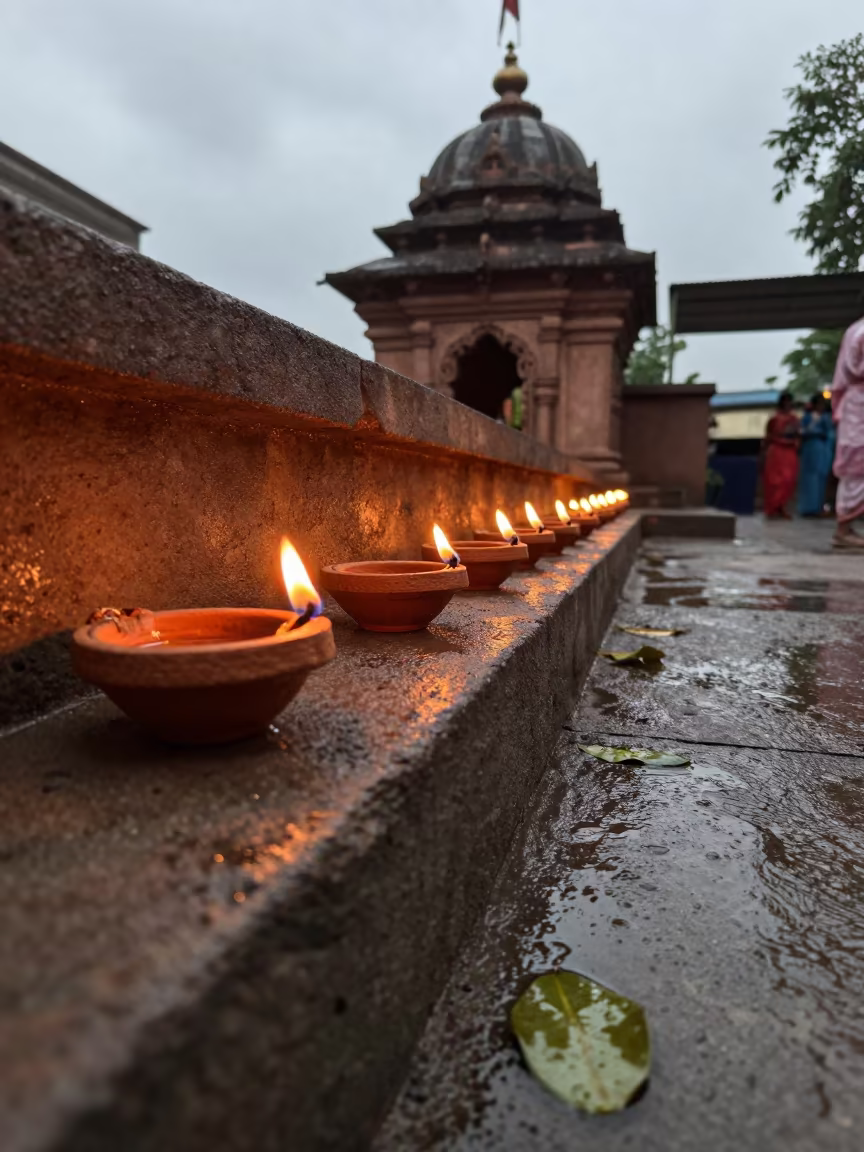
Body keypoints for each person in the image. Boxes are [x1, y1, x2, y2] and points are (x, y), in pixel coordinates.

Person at [831, 316, 864, 548]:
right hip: (859, 406)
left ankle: (845, 528)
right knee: (856, 467)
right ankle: (844, 529)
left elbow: (838, 382)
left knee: (854, 468)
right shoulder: (859, 331)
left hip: (853, 404)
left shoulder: (853, 329)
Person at [762, 392, 800, 519]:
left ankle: (782, 507)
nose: (788, 404)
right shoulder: (774, 418)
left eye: (790, 402)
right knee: (775, 481)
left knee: (788, 480)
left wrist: (795, 441)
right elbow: (768, 436)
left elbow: (798, 435)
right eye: (786, 401)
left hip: (789, 452)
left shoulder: (795, 419)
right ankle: (773, 508)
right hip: (777, 451)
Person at [798, 392, 834, 516]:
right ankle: (808, 508)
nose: (821, 406)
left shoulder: (826, 417)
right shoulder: (808, 416)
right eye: (819, 403)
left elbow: (830, 432)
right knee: (809, 479)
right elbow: (802, 431)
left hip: (823, 449)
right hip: (810, 448)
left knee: (821, 477)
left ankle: (819, 507)